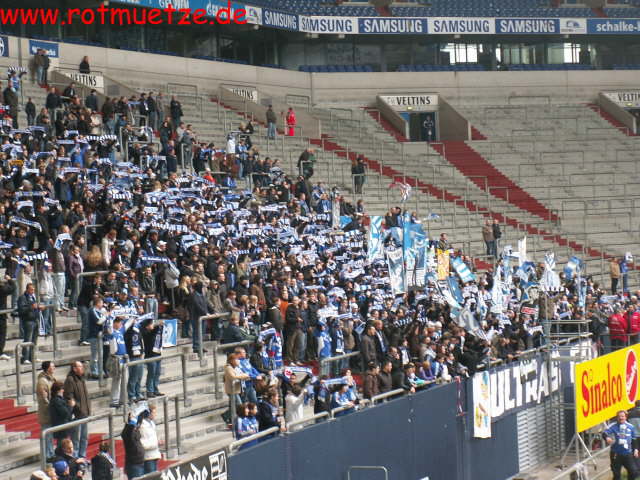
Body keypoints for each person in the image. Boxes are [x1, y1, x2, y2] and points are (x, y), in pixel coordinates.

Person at [63, 361, 91, 458]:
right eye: (80, 366)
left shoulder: (81, 379)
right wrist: (76, 408)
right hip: (77, 414)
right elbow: (68, 397)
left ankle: (82, 456)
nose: (82, 368)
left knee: (84, 437)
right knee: (76, 439)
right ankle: (75, 458)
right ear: (74, 369)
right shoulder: (70, 380)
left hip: (84, 413)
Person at [603, 410, 639, 480]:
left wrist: (636, 449)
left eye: (622, 416)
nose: (621, 418)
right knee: (616, 475)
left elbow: (634, 439)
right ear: (617, 417)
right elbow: (604, 433)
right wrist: (607, 438)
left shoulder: (631, 426)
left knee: (634, 472)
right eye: (619, 416)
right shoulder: (613, 426)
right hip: (616, 454)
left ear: (626, 417)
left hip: (628, 453)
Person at [18, 283, 45, 364]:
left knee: (34, 341)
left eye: (33, 289)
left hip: (35, 320)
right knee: (28, 340)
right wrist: (31, 307)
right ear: (27, 289)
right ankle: (25, 358)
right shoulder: (22, 298)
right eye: (31, 289)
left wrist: (39, 307)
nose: (33, 291)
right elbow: (22, 310)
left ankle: (32, 357)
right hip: (28, 321)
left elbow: (35, 306)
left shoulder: (33, 297)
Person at [37, 361, 57, 461]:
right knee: (47, 434)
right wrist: (52, 406)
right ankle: (47, 455)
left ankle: (50, 453)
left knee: (50, 434)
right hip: (46, 412)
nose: (54, 368)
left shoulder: (51, 379)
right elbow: (44, 398)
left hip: (51, 411)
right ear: (48, 368)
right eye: (52, 366)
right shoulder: (42, 381)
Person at [222, 353, 250, 425]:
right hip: (232, 390)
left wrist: (243, 376)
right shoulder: (228, 368)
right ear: (232, 360)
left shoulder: (236, 368)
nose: (238, 361)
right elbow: (233, 377)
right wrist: (243, 376)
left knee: (232, 406)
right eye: (236, 359)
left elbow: (243, 375)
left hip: (237, 389)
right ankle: (226, 416)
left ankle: (230, 418)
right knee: (239, 405)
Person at [141, 318, 164, 398]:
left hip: (158, 353)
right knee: (151, 373)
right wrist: (158, 325)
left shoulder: (156, 330)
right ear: (147, 326)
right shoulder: (145, 332)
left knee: (157, 373)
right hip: (150, 355)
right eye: (151, 324)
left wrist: (161, 325)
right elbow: (154, 331)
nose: (152, 325)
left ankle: (155, 389)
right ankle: (149, 390)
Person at [121, 412, 145, 480]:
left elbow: (139, 422)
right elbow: (129, 431)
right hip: (134, 464)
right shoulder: (128, 432)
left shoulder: (135, 430)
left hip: (140, 462)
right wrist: (132, 420)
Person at [49, 382, 74, 446]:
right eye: (62, 388)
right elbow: (65, 413)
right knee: (62, 446)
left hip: (63, 427)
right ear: (58, 390)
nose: (63, 390)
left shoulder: (59, 399)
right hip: (61, 428)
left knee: (63, 445)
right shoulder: (56, 400)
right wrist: (70, 406)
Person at [139, 405, 161, 474]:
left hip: (154, 455)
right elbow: (143, 444)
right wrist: (156, 443)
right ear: (148, 413)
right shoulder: (143, 426)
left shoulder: (151, 423)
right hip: (148, 457)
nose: (155, 414)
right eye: (154, 413)